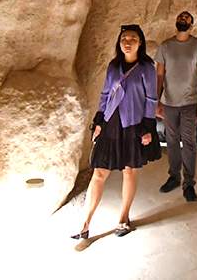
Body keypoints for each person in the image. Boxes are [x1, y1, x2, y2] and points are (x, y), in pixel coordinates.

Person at [73, 25, 159, 239]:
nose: (127, 42)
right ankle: (85, 223)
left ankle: (123, 218)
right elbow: (104, 96)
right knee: (99, 173)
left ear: (140, 43)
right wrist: (99, 122)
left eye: (132, 38)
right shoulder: (113, 66)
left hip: (134, 124)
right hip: (112, 123)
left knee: (129, 171)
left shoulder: (147, 67)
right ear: (119, 43)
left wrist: (148, 127)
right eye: (124, 38)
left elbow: (151, 98)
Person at [155, 11, 197, 202]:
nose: (183, 19)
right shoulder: (165, 46)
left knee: (189, 142)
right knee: (171, 141)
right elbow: (160, 75)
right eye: (180, 17)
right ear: (176, 22)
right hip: (169, 102)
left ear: (192, 23)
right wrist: (156, 100)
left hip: (190, 101)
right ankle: (174, 176)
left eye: (186, 17)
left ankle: (189, 183)